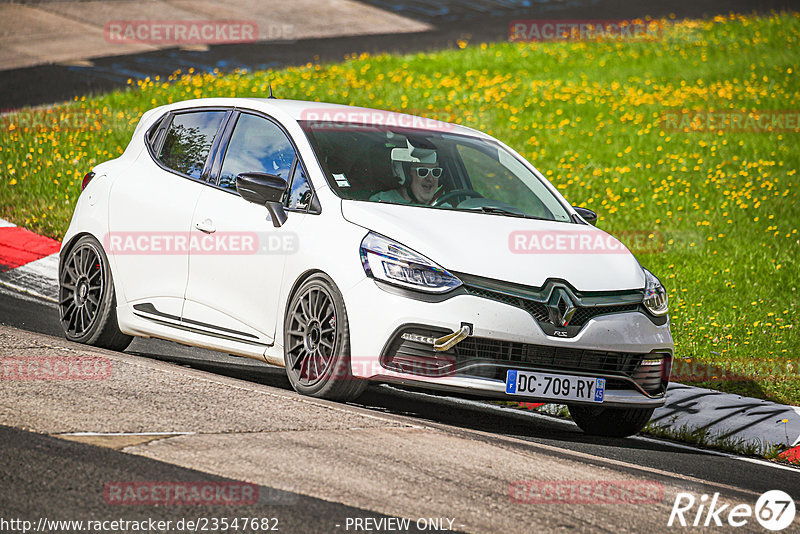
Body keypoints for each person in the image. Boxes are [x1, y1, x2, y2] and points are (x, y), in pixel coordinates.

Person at [370, 139, 445, 205]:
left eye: (435, 172)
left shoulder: (444, 207)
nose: (430, 178)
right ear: (404, 174)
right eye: (422, 171)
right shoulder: (380, 202)